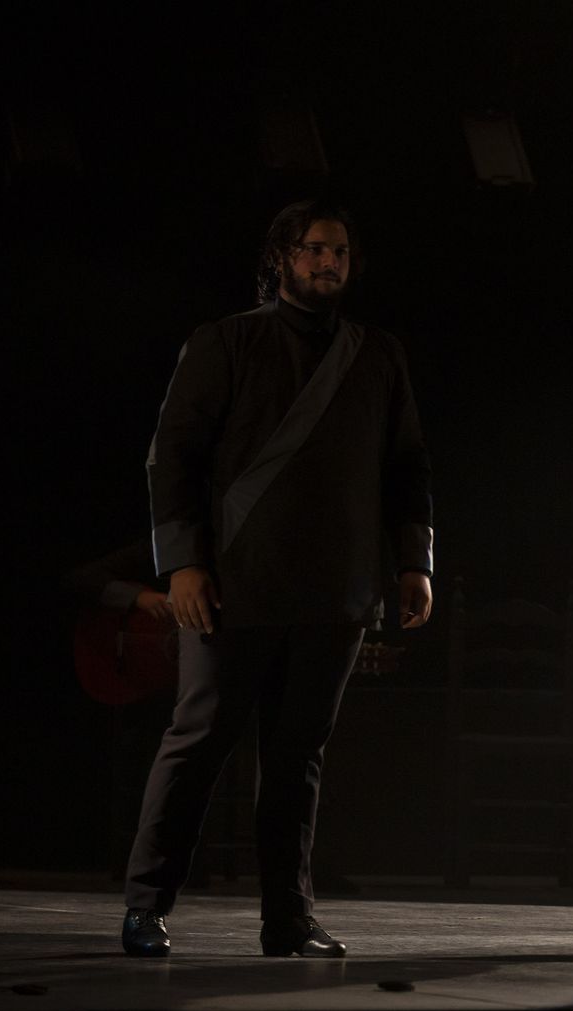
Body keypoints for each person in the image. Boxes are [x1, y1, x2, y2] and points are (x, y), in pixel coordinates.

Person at [121, 200, 435, 959]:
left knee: (298, 759)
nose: (330, 263)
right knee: (197, 743)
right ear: (283, 259)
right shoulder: (225, 342)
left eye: (340, 253)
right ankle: (145, 904)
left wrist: (414, 561)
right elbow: (173, 455)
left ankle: (288, 919)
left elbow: (407, 466)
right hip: (236, 585)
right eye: (315, 250)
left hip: (336, 593)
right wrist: (184, 563)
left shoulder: (378, 354)